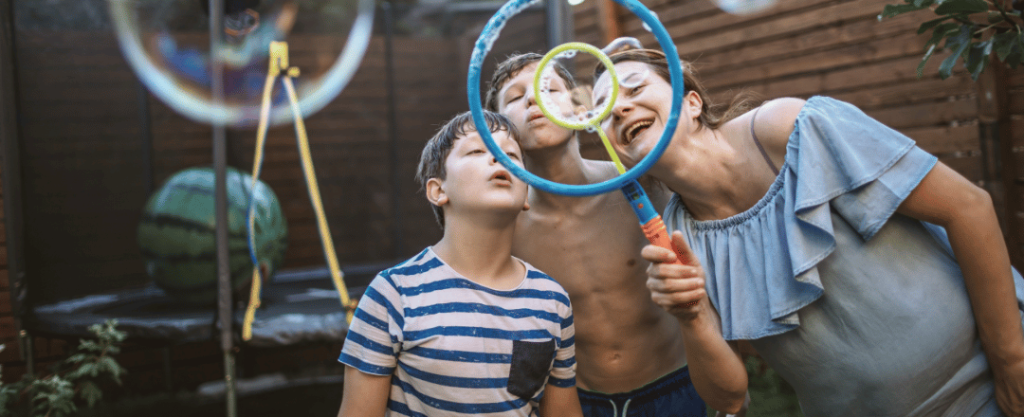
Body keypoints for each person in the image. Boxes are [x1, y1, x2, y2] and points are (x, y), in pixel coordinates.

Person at [592, 45, 1024, 417]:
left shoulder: (790, 129)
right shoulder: (676, 240)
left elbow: (968, 207)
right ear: (621, 156)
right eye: (604, 114)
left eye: (633, 88)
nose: (619, 108)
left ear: (692, 103)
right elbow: (730, 396)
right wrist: (692, 316)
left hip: (992, 386)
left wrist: (1011, 361)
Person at [484, 53, 714, 416]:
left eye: (548, 88)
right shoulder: (505, 223)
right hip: (577, 402)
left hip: (675, 386)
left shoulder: (643, 185)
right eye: (514, 97)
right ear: (497, 131)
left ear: (581, 110)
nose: (532, 98)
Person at [336, 110, 583, 417]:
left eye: (511, 154)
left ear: (526, 194)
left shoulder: (552, 300)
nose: (499, 158)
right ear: (438, 191)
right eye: (478, 150)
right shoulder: (393, 293)